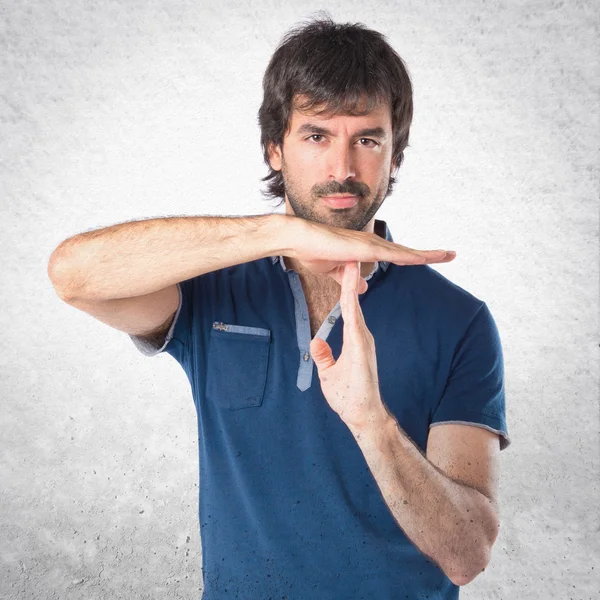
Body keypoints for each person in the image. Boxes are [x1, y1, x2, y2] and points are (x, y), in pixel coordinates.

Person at [48, 14, 510, 600]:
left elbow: (467, 556)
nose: (342, 168)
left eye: (367, 139)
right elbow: (72, 276)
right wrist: (274, 234)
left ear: (395, 155)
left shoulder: (460, 322)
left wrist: (374, 427)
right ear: (275, 148)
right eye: (316, 136)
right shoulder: (210, 286)